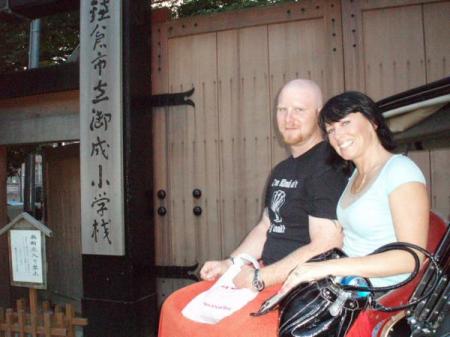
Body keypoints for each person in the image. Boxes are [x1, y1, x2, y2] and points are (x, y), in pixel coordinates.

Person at [158, 79, 348, 337]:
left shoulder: (327, 166)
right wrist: (231, 263)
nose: (288, 118)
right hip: (263, 273)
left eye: (299, 110)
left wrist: (260, 278)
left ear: (318, 113)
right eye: (282, 110)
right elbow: (266, 226)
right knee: (175, 306)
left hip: (298, 284)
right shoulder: (282, 170)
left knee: (227, 330)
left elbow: (326, 244)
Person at [280, 91, 429, 336]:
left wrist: (326, 268)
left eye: (345, 123)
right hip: (346, 289)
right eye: (330, 130)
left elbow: (411, 258)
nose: (337, 135)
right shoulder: (354, 177)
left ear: (373, 121)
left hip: (378, 301)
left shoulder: (400, 170)